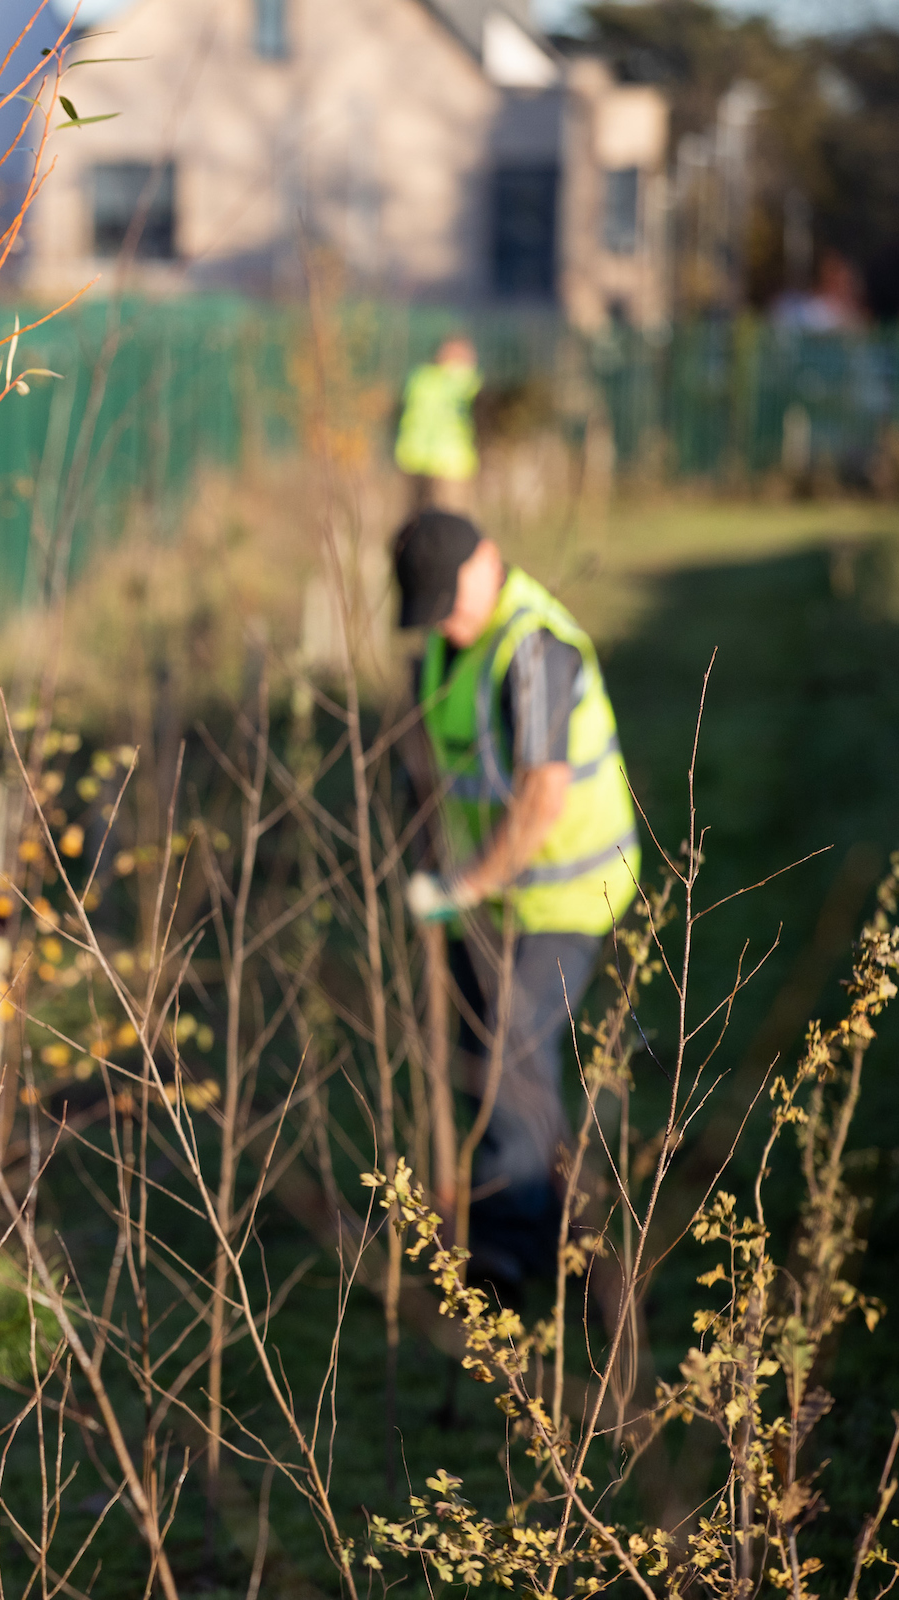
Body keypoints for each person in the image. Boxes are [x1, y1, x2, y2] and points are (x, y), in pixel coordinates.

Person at [393, 510, 639, 1292]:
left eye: (450, 599)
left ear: (489, 561)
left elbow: (540, 794)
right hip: (495, 892)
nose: (447, 621)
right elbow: (436, 763)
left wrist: (464, 883)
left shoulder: (533, 647)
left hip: (570, 887)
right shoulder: (446, 643)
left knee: (509, 1051)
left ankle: (501, 1259)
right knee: (494, 1055)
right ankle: (570, 1230)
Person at [395, 334, 482, 513]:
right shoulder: (465, 381)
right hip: (448, 464)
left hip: (420, 460)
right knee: (450, 525)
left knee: (421, 524)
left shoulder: (419, 378)